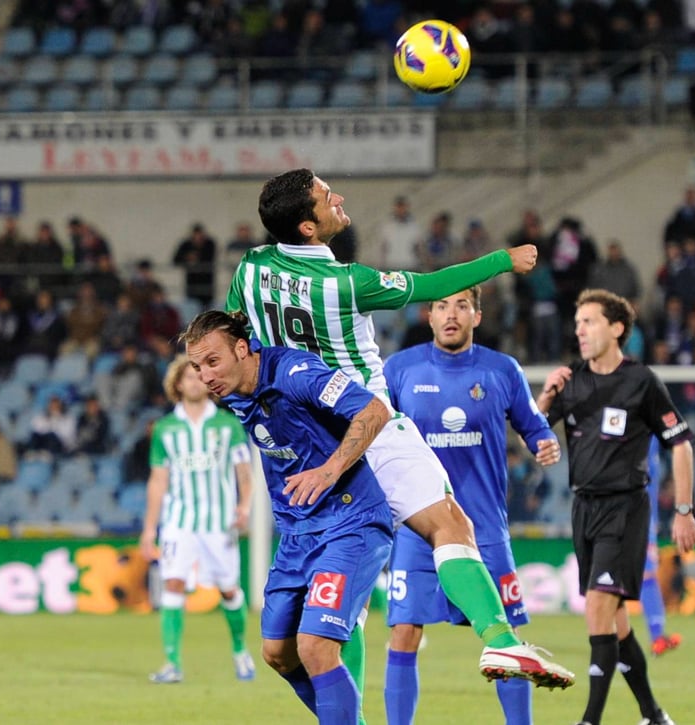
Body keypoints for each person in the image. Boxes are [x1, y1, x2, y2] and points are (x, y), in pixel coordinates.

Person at [225, 168, 573, 689]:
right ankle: (500, 642)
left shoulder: (250, 269)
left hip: (302, 446)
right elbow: (433, 285)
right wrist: (505, 260)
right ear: (307, 227)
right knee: (450, 527)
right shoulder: (347, 284)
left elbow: (235, 331)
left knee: (348, 599)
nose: (337, 198)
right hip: (366, 424)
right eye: (325, 196)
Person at [181, 310, 395, 723]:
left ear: (242, 350)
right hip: (298, 534)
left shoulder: (297, 373)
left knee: (315, 646)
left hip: (350, 522)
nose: (205, 375)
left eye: (212, 361)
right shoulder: (235, 393)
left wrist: (330, 469)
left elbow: (373, 411)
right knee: (278, 653)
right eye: (196, 366)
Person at [381, 287, 563, 725]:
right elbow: (374, 430)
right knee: (403, 634)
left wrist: (544, 443)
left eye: (462, 306)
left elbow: (532, 425)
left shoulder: (502, 370)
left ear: (477, 316)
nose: (451, 315)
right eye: (442, 306)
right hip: (417, 528)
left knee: (506, 641)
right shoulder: (399, 369)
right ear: (428, 316)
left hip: (484, 531)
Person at [536, 288, 695, 725]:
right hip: (583, 509)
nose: (580, 331)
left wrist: (683, 510)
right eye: (577, 324)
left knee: (597, 607)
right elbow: (531, 435)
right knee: (617, 620)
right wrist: (547, 397)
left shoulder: (641, 381)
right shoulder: (571, 380)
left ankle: (589, 720)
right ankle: (653, 713)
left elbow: (680, 444)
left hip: (625, 509)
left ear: (617, 328)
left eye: (588, 322)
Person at [139, 353, 255, 684]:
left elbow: (244, 474)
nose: (194, 381)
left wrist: (244, 506)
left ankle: (239, 650)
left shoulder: (227, 425)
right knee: (172, 583)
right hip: (179, 522)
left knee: (229, 590)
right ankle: (172, 663)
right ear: (177, 384)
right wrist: (150, 529)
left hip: (219, 522)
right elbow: (158, 481)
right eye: (188, 377)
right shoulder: (164, 429)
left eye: (199, 376)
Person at [640, 437, 680, 657]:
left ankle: (657, 635)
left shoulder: (652, 436)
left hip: (646, 518)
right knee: (611, 584)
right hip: (628, 516)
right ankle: (609, 643)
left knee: (647, 576)